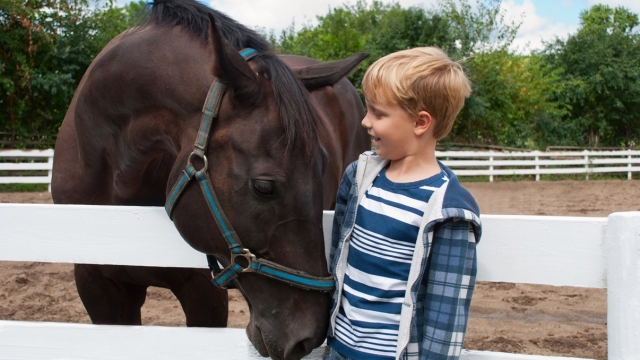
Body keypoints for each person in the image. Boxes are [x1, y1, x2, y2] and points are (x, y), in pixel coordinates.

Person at [324, 47, 482, 360]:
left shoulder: (448, 210)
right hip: (338, 348)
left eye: (378, 113)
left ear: (420, 123)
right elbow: (336, 260)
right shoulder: (359, 177)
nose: (365, 122)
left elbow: (445, 314)